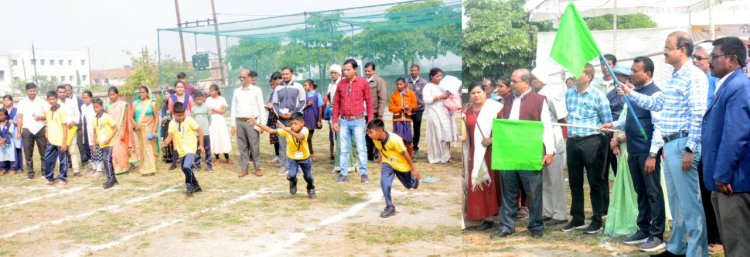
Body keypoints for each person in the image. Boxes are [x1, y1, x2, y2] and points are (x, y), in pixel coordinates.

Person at [620, 31, 708, 257]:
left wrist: (690, 148)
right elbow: (656, 103)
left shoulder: (694, 76)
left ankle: (697, 252)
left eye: (668, 47)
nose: (664, 51)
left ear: (683, 50)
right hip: (669, 146)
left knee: (690, 205)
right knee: (677, 204)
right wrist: (630, 93)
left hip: (682, 144)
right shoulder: (674, 76)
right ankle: (676, 248)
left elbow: (698, 115)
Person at [603, 56, 666, 252]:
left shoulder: (655, 95)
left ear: (647, 73)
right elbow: (629, 119)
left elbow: (659, 127)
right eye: (631, 69)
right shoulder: (634, 93)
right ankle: (644, 228)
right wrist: (612, 125)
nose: (632, 73)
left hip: (647, 151)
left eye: (636, 70)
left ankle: (657, 235)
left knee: (653, 192)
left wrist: (653, 155)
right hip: (634, 151)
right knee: (641, 191)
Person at [491, 69, 555, 239]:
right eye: (511, 81)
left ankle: (535, 226)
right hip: (509, 153)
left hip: (530, 153)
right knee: (509, 191)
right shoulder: (508, 100)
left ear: (526, 82)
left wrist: (549, 151)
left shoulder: (539, 100)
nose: (511, 84)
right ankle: (506, 226)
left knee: (533, 192)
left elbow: (547, 126)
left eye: (514, 81)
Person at [701, 36, 750, 257]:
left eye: (714, 56)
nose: (710, 61)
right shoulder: (728, 84)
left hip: (732, 182)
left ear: (731, 59)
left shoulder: (739, 86)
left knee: (738, 244)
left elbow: (735, 134)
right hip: (723, 180)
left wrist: (723, 174)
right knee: (731, 242)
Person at [562, 63, 613, 234]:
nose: (575, 75)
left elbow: (607, 122)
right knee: (575, 182)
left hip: (592, 141)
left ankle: (597, 219)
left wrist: (601, 144)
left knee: (595, 182)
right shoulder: (569, 94)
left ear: (588, 77)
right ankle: (577, 218)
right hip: (573, 141)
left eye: (579, 72)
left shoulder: (598, 96)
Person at [693, 44, 723, 255]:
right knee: (703, 194)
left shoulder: (716, 83)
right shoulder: (692, 82)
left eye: (700, 58)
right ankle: (709, 234)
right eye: (693, 57)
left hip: (714, 147)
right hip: (696, 146)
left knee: (716, 193)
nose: (695, 60)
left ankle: (719, 237)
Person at [530, 66, 569, 226]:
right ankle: (548, 211)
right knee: (545, 178)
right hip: (540, 140)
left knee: (555, 179)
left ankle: (560, 214)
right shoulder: (537, 96)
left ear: (542, 79)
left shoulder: (551, 94)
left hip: (553, 138)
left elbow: (562, 117)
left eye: (534, 79)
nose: (532, 82)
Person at [462, 82, 502, 231]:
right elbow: (466, 134)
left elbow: (504, 128)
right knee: (479, 182)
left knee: (492, 182)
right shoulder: (467, 112)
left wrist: (492, 139)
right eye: (473, 93)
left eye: (479, 92)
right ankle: (483, 216)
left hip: (492, 151)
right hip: (476, 152)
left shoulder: (495, 108)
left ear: (485, 93)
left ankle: (493, 214)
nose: (476, 95)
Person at [367, 119, 419, 218]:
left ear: (380, 130)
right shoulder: (375, 139)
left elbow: (407, 155)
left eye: (371, 132)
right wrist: (380, 158)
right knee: (384, 182)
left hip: (401, 165)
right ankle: (390, 207)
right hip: (388, 162)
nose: (369, 134)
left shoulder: (395, 140)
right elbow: (380, 148)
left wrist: (414, 170)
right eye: (368, 132)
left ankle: (413, 181)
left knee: (409, 185)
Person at [256, 113, 316, 199]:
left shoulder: (305, 130)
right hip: (292, 158)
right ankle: (293, 181)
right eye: (291, 124)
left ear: (302, 123)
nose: (293, 126)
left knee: (308, 177)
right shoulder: (287, 130)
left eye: (295, 123)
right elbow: (271, 130)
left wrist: (287, 130)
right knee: (291, 175)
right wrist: (256, 123)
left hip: (305, 157)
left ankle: (310, 187)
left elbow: (300, 137)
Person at [332, 59, 373, 183]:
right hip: (343, 121)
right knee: (344, 149)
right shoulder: (341, 84)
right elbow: (336, 103)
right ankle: (343, 174)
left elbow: (369, 103)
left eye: (348, 69)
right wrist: (335, 121)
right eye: (344, 69)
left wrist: (369, 121)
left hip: (359, 121)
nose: (345, 72)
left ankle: (364, 174)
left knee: (361, 148)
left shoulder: (363, 83)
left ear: (355, 70)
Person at [163, 102, 204, 196]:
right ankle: (196, 185)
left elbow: (200, 131)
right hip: (181, 150)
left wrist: (201, 145)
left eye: (182, 115)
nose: (181, 117)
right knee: (184, 168)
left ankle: (189, 186)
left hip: (190, 148)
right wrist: (165, 142)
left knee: (186, 167)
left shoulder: (189, 120)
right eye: (178, 116)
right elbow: (170, 136)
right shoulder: (172, 123)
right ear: (174, 114)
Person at [231, 69, 266, 177]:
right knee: (242, 147)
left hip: (252, 122)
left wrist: (262, 125)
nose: (241, 79)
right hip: (239, 121)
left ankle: (257, 168)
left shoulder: (256, 90)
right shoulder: (236, 91)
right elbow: (233, 108)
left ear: (250, 78)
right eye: (240, 77)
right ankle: (244, 169)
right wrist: (233, 125)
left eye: (244, 77)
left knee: (254, 146)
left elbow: (261, 108)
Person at [273, 66, 305, 176]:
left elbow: (302, 102)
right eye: (283, 74)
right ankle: (284, 166)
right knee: (282, 144)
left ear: (291, 74)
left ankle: (299, 166)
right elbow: (275, 104)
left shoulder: (298, 87)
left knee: (296, 143)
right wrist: (280, 114)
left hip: (294, 120)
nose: (285, 76)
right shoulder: (277, 88)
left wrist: (293, 113)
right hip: (282, 120)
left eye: (287, 74)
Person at [422, 67, 457, 164]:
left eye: (441, 76)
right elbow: (426, 100)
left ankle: (446, 155)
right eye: (437, 76)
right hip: (434, 113)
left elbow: (452, 95)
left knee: (446, 134)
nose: (439, 78)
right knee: (437, 134)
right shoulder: (428, 87)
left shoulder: (444, 85)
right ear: (431, 76)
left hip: (445, 113)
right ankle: (436, 156)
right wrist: (440, 96)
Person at [18, 83, 50, 180]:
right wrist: (18, 132)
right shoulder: (22, 102)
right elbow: (20, 118)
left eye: (34, 90)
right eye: (30, 91)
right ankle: (30, 173)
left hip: (40, 128)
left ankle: (44, 172)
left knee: (43, 152)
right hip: (27, 129)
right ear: (26, 91)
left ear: (36, 90)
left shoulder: (42, 102)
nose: (32, 92)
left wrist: (41, 117)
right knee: (28, 153)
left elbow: (49, 115)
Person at [42, 91, 69, 186]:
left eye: (53, 99)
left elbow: (65, 127)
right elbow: (48, 123)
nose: (52, 101)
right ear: (47, 100)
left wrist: (64, 142)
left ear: (57, 99)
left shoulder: (62, 110)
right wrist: (46, 132)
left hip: (61, 140)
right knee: (48, 159)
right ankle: (49, 178)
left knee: (62, 161)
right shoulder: (48, 111)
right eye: (50, 99)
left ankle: (63, 178)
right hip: (51, 140)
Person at [105, 87, 134, 175]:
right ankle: (116, 167)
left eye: (113, 94)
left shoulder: (123, 105)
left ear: (117, 95)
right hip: (112, 131)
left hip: (121, 130)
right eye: (110, 95)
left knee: (121, 149)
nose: (111, 96)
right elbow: (107, 119)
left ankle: (124, 167)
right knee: (113, 150)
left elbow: (125, 119)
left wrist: (123, 131)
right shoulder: (107, 106)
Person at [55, 86, 81, 177]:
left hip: (71, 129)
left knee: (73, 150)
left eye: (64, 92)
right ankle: (62, 171)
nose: (62, 94)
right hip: (60, 131)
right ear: (57, 93)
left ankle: (76, 170)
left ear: (66, 93)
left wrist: (74, 122)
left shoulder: (71, 102)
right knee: (61, 151)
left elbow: (77, 113)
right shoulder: (55, 104)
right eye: (60, 92)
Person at [388, 77, 418, 158]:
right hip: (397, 120)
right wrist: (400, 108)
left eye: (401, 84)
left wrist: (409, 106)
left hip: (407, 119)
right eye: (397, 84)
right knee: (398, 137)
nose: (399, 86)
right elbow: (390, 108)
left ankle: (410, 154)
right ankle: (399, 154)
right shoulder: (394, 94)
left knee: (407, 137)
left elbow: (414, 105)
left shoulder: (411, 93)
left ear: (405, 84)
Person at [92, 98, 118, 189]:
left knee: (106, 160)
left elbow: (115, 128)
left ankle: (110, 179)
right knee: (107, 160)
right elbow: (95, 132)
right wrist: (94, 145)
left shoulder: (107, 116)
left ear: (101, 107)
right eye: (94, 107)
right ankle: (113, 178)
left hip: (109, 143)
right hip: (101, 143)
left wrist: (109, 139)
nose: (95, 109)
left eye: (97, 107)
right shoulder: (94, 118)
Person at [167, 81, 193, 170]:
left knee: (187, 140)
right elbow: (171, 110)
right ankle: (174, 163)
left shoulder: (188, 97)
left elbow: (192, 108)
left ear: (184, 88)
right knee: (176, 141)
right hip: (176, 121)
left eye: (181, 87)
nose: (180, 88)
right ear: (175, 88)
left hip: (187, 121)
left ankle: (190, 162)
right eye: (178, 87)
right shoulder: (171, 98)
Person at [133, 86, 158, 176]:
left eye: (143, 92)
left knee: (149, 148)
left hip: (149, 128)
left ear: (147, 93)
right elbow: (131, 117)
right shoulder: (135, 103)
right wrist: (135, 125)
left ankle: (150, 168)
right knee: (141, 148)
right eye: (140, 92)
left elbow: (156, 117)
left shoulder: (152, 103)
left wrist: (154, 128)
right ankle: (143, 166)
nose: (141, 94)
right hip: (139, 129)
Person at [364, 62, 387, 162]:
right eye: (365, 71)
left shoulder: (379, 81)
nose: (367, 73)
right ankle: (369, 156)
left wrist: (380, 114)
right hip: (364, 113)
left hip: (375, 112)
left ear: (374, 71)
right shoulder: (363, 81)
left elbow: (382, 98)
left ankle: (377, 155)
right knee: (367, 134)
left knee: (376, 135)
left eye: (369, 71)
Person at [206, 84, 232, 164]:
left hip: (220, 121)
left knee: (222, 137)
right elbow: (207, 111)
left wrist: (213, 109)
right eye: (209, 91)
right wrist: (215, 110)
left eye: (212, 91)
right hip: (211, 121)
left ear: (217, 91)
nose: (210, 93)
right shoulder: (208, 99)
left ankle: (227, 157)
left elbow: (222, 111)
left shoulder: (222, 99)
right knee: (214, 138)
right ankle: (217, 158)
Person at [407, 64, 427, 156]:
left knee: (417, 128)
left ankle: (415, 147)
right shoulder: (406, 81)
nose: (413, 72)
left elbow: (426, 94)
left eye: (415, 70)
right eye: (411, 70)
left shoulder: (423, 82)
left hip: (419, 108)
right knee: (407, 128)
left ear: (418, 71)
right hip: (408, 109)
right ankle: (408, 146)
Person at [301, 79, 324, 160]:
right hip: (305, 119)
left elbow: (320, 107)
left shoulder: (318, 95)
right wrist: (307, 105)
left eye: (305, 85)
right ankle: (309, 153)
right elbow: (301, 107)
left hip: (313, 118)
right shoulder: (304, 95)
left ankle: (309, 153)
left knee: (308, 137)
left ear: (310, 85)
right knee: (305, 136)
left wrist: (319, 120)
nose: (304, 87)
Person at [191, 90, 212, 172]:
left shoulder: (207, 107)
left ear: (203, 98)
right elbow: (192, 121)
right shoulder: (193, 109)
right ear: (194, 99)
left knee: (207, 149)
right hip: (196, 133)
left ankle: (209, 166)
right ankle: (197, 166)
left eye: (200, 98)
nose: (199, 100)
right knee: (197, 150)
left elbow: (210, 119)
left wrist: (206, 127)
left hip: (206, 132)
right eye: (197, 99)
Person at [326, 65, 342, 163]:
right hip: (333, 114)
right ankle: (338, 160)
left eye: (335, 72)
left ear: (339, 73)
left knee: (341, 138)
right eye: (331, 72)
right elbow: (329, 98)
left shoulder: (343, 83)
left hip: (342, 114)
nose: (333, 74)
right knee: (334, 137)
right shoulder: (331, 85)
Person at [80, 91, 98, 176]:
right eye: (83, 98)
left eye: (86, 97)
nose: (85, 99)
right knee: (89, 149)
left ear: (91, 98)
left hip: (93, 130)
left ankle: (99, 169)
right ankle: (94, 168)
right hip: (86, 131)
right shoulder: (82, 107)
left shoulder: (94, 106)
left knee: (95, 149)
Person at [266, 72, 282, 164]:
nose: (273, 85)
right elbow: (270, 104)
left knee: (281, 136)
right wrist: (268, 107)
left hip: (280, 117)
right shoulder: (272, 94)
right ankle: (277, 155)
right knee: (274, 137)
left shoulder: (282, 92)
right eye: (271, 84)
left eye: (274, 83)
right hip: (272, 117)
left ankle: (283, 155)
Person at [3, 95, 22, 173]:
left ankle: (18, 167)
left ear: (12, 101)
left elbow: (20, 121)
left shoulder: (16, 110)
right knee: (5, 148)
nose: (6, 102)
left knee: (17, 148)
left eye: (8, 100)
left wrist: (13, 122)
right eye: (4, 100)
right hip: (4, 132)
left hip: (14, 131)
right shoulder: (1, 110)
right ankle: (5, 167)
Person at [0, 109, 17, 175]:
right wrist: (1, 140)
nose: (0, 116)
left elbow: (10, 132)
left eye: (2, 115)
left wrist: (4, 140)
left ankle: (13, 168)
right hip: (0, 142)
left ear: (6, 116)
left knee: (11, 155)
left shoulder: (10, 123)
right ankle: (3, 168)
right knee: (2, 155)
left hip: (9, 141)